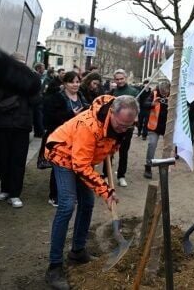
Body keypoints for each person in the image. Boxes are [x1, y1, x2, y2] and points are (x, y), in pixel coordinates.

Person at [44, 95, 137, 290]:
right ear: (111, 112)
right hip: (62, 153)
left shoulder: (123, 125)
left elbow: (109, 148)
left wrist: (106, 166)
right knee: (68, 205)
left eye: (127, 127)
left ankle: (77, 251)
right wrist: (105, 190)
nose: (123, 129)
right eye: (121, 125)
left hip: (83, 159)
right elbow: (80, 166)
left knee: (87, 203)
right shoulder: (88, 125)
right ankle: (54, 266)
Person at [0, 52, 39, 208]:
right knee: (3, 158)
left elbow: (37, 101)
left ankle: (15, 193)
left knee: (18, 160)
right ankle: (5, 189)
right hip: (2, 124)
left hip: (21, 125)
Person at [43, 71, 89, 207]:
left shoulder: (81, 96)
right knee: (59, 165)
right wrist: (70, 114)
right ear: (65, 83)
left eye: (77, 82)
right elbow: (50, 117)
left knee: (74, 165)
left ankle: (70, 194)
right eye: (72, 82)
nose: (75, 85)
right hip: (61, 138)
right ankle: (54, 195)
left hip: (77, 138)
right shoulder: (57, 98)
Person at [111, 69, 139, 187]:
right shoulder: (112, 92)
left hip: (127, 126)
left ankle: (121, 175)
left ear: (125, 78)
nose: (119, 81)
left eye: (121, 78)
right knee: (109, 150)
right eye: (117, 79)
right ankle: (106, 174)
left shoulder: (133, 91)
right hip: (114, 126)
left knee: (124, 151)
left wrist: (136, 117)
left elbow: (137, 108)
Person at [143, 81, 170, 179]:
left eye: (166, 93)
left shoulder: (173, 95)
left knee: (168, 148)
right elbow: (145, 104)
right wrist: (152, 104)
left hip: (167, 126)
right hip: (154, 126)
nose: (164, 95)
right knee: (152, 145)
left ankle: (165, 167)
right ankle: (148, 166)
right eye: (163, 93)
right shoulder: (154, 93)